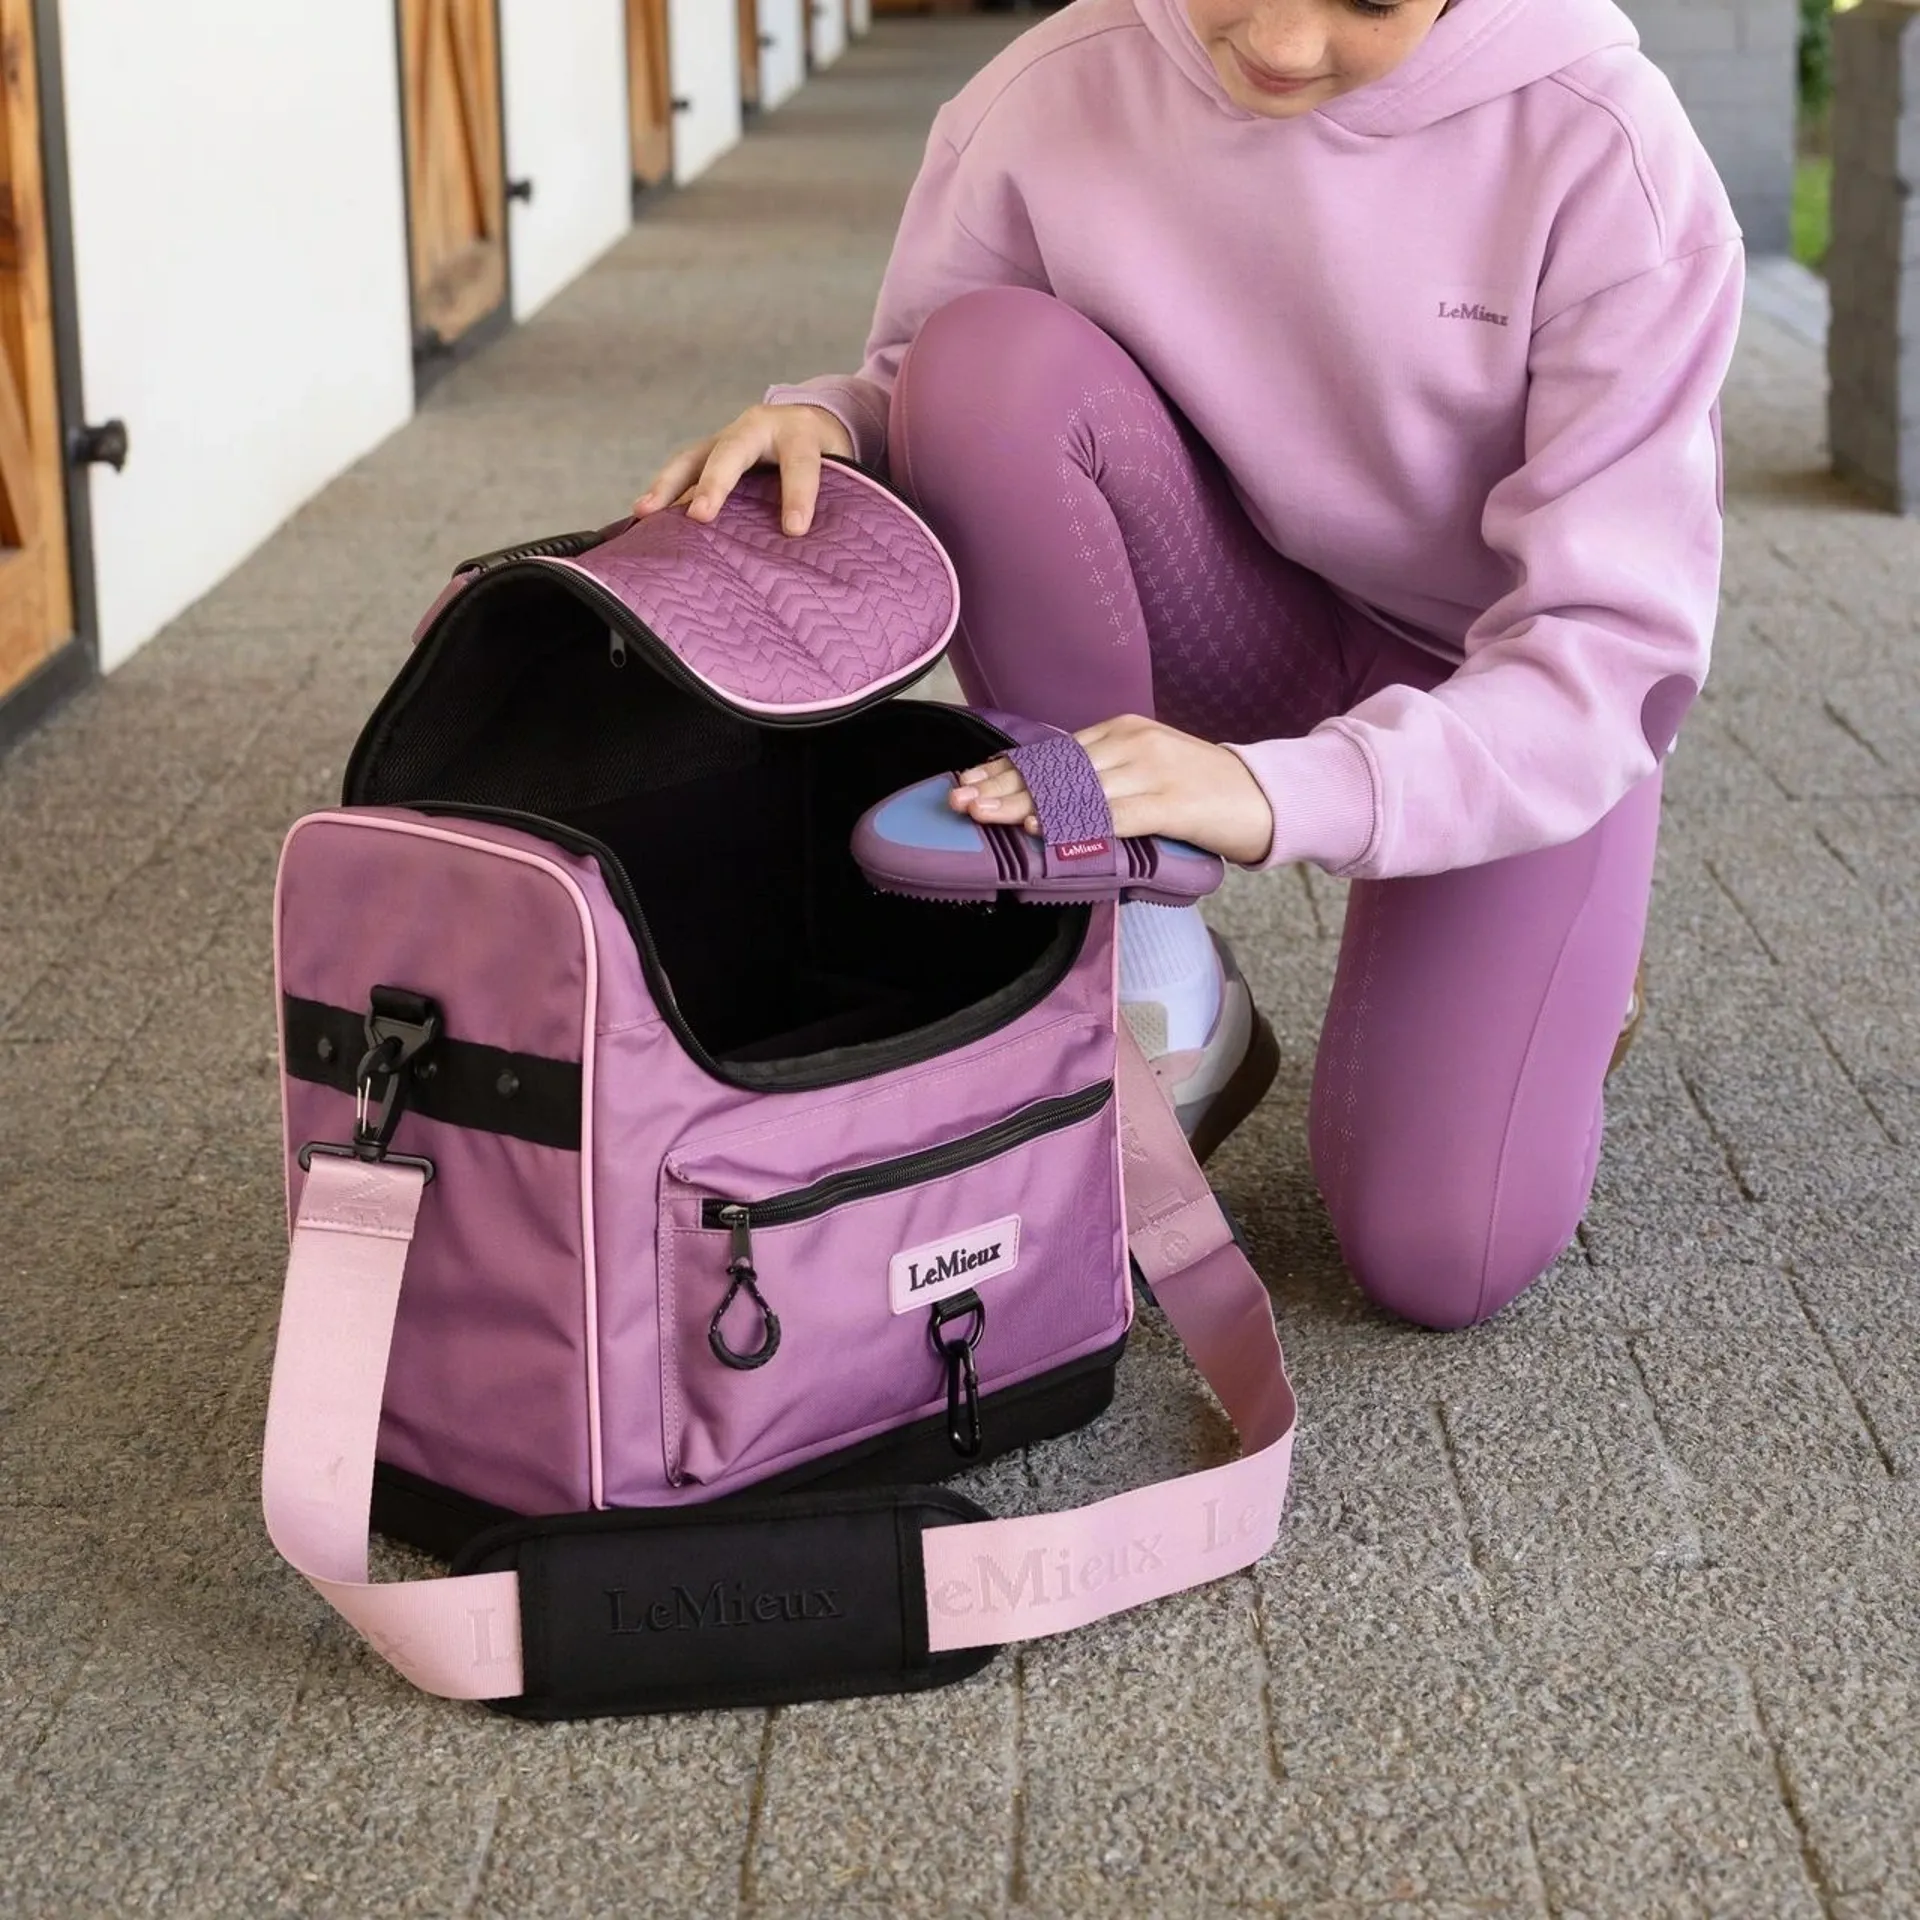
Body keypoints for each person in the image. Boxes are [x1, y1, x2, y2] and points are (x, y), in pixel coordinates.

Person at [634, 0, 1743, 1330]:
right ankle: (1162, 989)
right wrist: (827, 421)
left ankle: (1575, 963)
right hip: (1234, 610)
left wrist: (1275, 794)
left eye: (1368, 1)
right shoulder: (1051, 89)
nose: (1282, 41)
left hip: (1499, 691)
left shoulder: (1609, 155)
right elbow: (910, 377)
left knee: (1441, 1256)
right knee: (978, 367)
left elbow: (1606, 646)